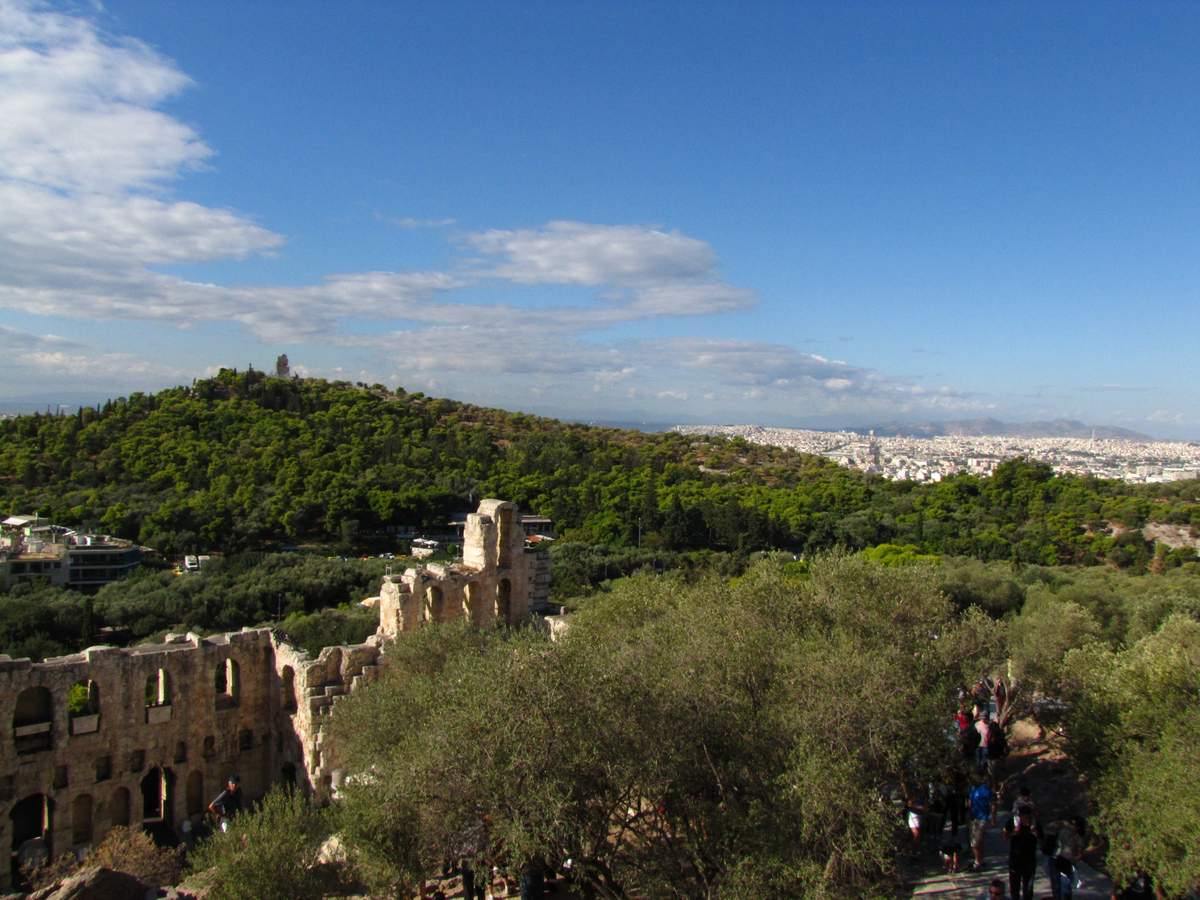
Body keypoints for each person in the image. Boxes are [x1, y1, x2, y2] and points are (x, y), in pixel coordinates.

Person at [1005, 816, 1038, 900]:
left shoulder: (1034, 823)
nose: (1024, 818)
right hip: (1015, 862)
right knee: (1015, 889)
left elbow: (1041, 839)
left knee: (1028, 890)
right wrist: (1014, 832)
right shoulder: (1012, 821)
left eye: (1026, 815)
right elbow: (1005, 836)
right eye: (1022, 815)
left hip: (1030, 862)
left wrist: (1034, 832)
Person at [968, 776, 996, 872]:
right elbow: (970, 802)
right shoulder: (973, 789)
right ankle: (980, 860)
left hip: (982, 818)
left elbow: (992, 804)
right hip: (974, 818)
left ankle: (977, 863)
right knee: (978, 841)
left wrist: (993, 818)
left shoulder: (985, 790)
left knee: (975, 843)